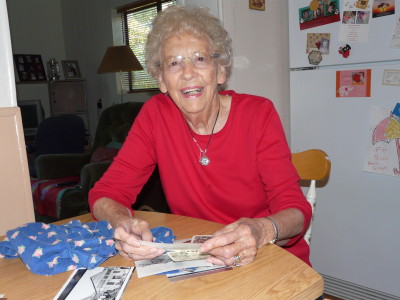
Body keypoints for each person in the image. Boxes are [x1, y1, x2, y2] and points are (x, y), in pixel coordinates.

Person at [89, 5, 312, 268]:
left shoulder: (258, 114)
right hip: (202, 262)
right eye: (174, 63)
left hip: (268, 258)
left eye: (200, 59)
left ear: (220, 72)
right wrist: (122, 222)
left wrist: (261, 230)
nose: (187, 72)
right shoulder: (155, 115)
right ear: (161, 80)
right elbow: (106, 192)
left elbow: (296, 210)